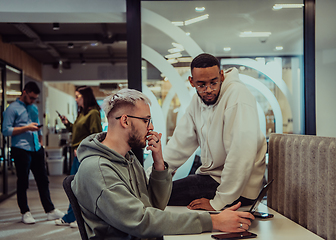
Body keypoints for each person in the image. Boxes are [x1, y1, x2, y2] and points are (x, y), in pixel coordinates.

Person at [71, 88, 254, 239]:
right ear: (125, 121)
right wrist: (213, 221)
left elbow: (154, 206)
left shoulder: (128, 159)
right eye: (146, 120)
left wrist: (159, 163)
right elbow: (141, 221)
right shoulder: (98, 170)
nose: (151, 128)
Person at [164, 53, 267, 211]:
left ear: (222, 76)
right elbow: (179, 144)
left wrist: (217, 202)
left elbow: (241, 153)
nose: (209, 90)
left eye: (214, 83)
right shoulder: (197, 102)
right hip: (213, 179)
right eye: (202, 85)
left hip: (240, 190)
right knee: (157, 192)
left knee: (159, 196)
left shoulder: (238, 96)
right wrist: (156, 172)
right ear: (192, 82)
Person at [2, 81, 64, 224]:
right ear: (24, 92)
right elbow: (6, 130)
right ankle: (25, 212)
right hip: (21, 149)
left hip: (36, 149)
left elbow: (37, 126)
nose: (32, 101)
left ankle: (50, 210)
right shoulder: (12, 109)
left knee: (43, 180)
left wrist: (41, 141)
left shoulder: (34, 108)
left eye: (35, 98)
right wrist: (26, 128)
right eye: (31, 98)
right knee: (23, 182)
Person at [55, 86, 102, 228]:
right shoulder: (82, 113)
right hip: (78, 154)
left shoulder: (93, 113)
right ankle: (73, 216)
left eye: (78, 96)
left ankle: (74, 217)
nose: (76, 99)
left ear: (85, 97)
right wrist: (67, 124)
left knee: (78, 187)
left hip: (84, 155)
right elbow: (77, 131)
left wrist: (84, 148)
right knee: (75, 186)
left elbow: (96, 135)